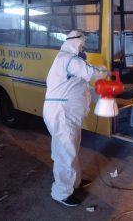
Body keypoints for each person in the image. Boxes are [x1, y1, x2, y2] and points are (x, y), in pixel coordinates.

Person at [43, 30, 108, 207]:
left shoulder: (72, 62)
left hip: (68, 113)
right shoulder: (68, 59)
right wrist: (105, 71)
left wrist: (100, 95)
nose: (83, 48)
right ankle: (62, 193)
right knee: (65, 152)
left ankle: (74, 183)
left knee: (71, 149)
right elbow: (91, 73)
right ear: (73, 43)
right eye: (82, 45)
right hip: (62, 113)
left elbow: (82, 89)